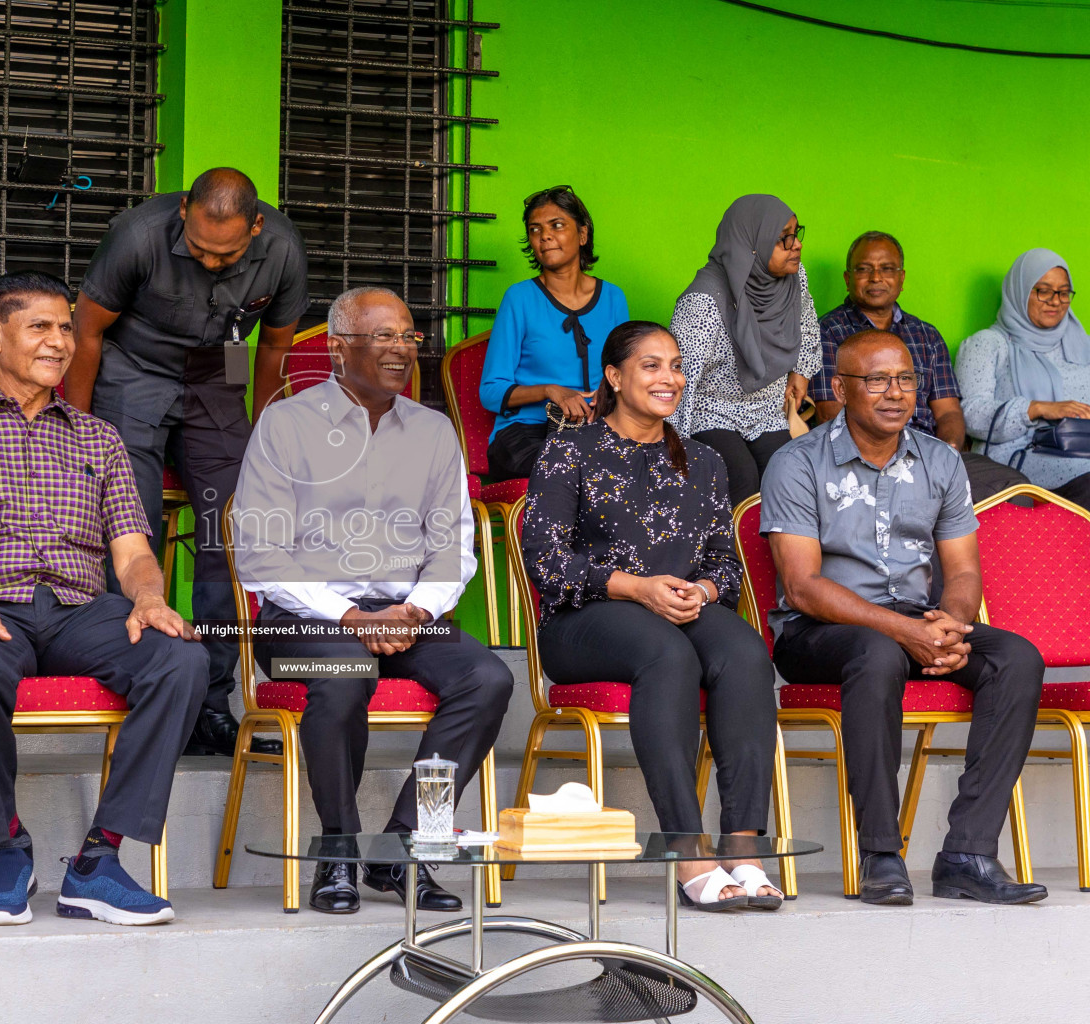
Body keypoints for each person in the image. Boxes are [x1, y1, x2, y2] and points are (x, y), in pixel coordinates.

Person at [0, 272, 207, 927]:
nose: (61, 341)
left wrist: (148, 598)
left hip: (78, 612)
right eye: (41, 326)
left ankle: (99, 860)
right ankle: (9, 847)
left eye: (67, 328)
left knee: (179, 658)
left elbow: (132, 554)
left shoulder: (99, 438)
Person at [233, 286, 514, 915]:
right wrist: (352, 617)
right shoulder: (286, 424)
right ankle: (338, 846)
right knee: (341, 674)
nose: (401, 349)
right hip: (300, 624)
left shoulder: (435, 430)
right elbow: (260, 556)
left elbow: (454, 545)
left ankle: (405, 845)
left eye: (409, 337)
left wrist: (414, 610)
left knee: (487, 678)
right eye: (383, 336)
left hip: (407, 615)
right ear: (337, 348)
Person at [762, 329, 1047, 907]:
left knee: (1016, 657)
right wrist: (905, 631)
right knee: (877, 652)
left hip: (915, 624)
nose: (895, 393)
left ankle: (967, 852)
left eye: (906, 380)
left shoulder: (940, 460)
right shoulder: (797, 463)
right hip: (818, 634)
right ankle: (881, 853)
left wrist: (951, 626)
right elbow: (803, 586)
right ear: (839, 388)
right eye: (876, 380)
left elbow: (963, 572)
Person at [522, 320, 781, 911]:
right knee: (667, 655)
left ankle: (743, 847)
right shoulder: (570, 452)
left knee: (744, 652)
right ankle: (686, 849)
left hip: (679, 610)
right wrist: (637, 588)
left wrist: (707, 592)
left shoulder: (706, 460)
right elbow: (546, 560)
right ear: (614, 376)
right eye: (651, 365)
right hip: (585, 618)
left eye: (677, 366)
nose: (670, 378)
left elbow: (725, 560)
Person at [67, 167, 308, 759]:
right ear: (184, 215)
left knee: (226, 533)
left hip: (218, 370)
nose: (209, 261)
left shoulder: (282, 249)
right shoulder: (138, 233)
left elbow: (274, 346)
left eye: (225, 255)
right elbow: (87, 331)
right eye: (199, 248)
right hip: (132, 369)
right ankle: (134, 691)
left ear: (254, 227)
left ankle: (210, 704)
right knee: (131, 527)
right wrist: (73, 433)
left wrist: (264, 435)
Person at [812, 231, 1026, 500]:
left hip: (928, 454)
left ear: (901, 279)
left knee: (1013, 487)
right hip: (866, 459)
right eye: (864, 269)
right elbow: (829, 413)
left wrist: (947, 450)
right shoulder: (828, 332)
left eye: (887, 269)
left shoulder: (926, 335)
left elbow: (948, 413)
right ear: (847, 279)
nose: (876, 277)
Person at [670, 194, 821, 507]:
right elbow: (678, 380)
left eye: (797, 233)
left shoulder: (794, 277)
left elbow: (806, 323)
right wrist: (672, 452)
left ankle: (779, 555)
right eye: (784, 239)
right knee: (741, 478)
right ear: (752, 244)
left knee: (786, 474)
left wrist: (801, 372)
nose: (797, 245)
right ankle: (733, 556)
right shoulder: (703, 301)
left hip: (768, 407)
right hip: (712, 410)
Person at [479, 186, 629, 481]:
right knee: (573, 468)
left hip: (595, 431)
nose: (544, 236)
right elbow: (490, 391)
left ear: (583, 235)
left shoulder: (613, 298)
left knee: (649, 464)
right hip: (524, 436)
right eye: (535, 230)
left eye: (556, 225)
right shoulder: (519, 298)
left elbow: (624, 374)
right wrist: (551, 391)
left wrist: (604, 397)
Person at [956, 249, 1090, 509]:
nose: (1055, 301)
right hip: (1025, 459)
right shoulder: (986, 345)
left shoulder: (1082, 346)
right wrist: (1036, 408)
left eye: (1064, 292)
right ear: (1019, 291)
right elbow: (970, 415)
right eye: (1043, 290)